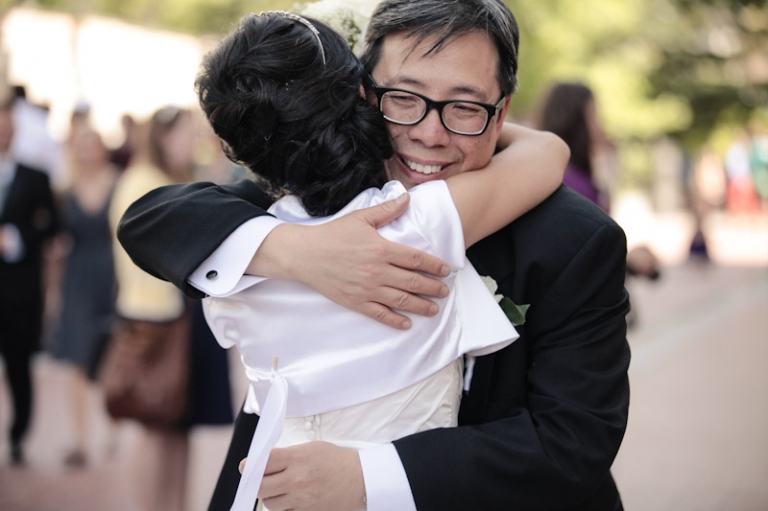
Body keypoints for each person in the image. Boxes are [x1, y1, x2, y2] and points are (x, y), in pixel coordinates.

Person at [118, 1, 631, 510]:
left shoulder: (574, 242)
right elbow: (152, 220)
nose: (430, 134)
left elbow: (572, 446)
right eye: (404, 99)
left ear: (502, 112)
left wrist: (369, 475)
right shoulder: (318, 193)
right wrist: (296, 251)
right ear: (362, 96)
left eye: (465, 107)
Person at [108, 106, 233, 511]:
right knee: (156, 428)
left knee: (178, 429)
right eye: (184, 134)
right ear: (162, 138)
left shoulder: (165, 179)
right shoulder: (142, 181)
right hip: (157, 320)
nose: (191, 142)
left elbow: (218, 196)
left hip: (177, 315)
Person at [538, 81, 659, 283]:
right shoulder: (568, 181)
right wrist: (628, 261)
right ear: (574, 120)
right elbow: (583, 255)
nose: (601, 126)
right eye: (594, 115)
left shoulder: (571, 175)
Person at [50, 124, 120, 467]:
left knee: (108, 355)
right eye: (80, 147)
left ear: (102, 149)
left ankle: (111, 430)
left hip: (110, 276)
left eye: (91, 145)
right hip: (76, 278)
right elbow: (56, 242)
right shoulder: (64, 190)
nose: (86, 153)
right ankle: (80, 438)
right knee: (75, 359)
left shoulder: (118, 184)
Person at [0, 100, 59, 465]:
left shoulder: (34, 177)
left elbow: (51, 225)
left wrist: (16, 237)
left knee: (19, 365)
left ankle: (19, 433)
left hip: (18, 292)